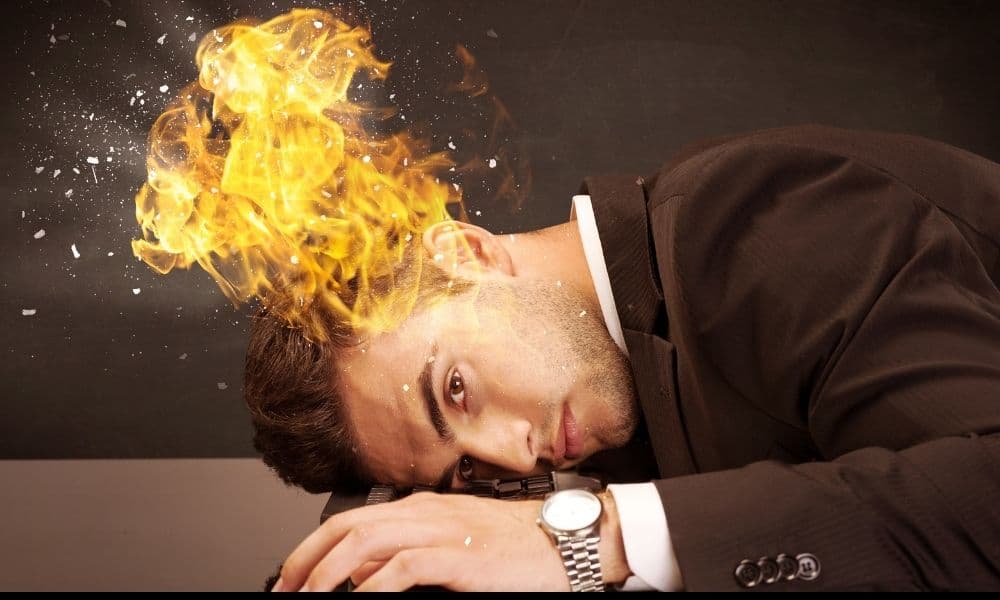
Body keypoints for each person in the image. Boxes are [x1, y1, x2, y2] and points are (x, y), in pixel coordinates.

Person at [244, 124, 1000, 592]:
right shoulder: (599, 395)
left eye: (456, 390)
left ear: (468, 253)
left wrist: (593, 538)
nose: (514, 455)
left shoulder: (751, 222)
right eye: (464, 472)